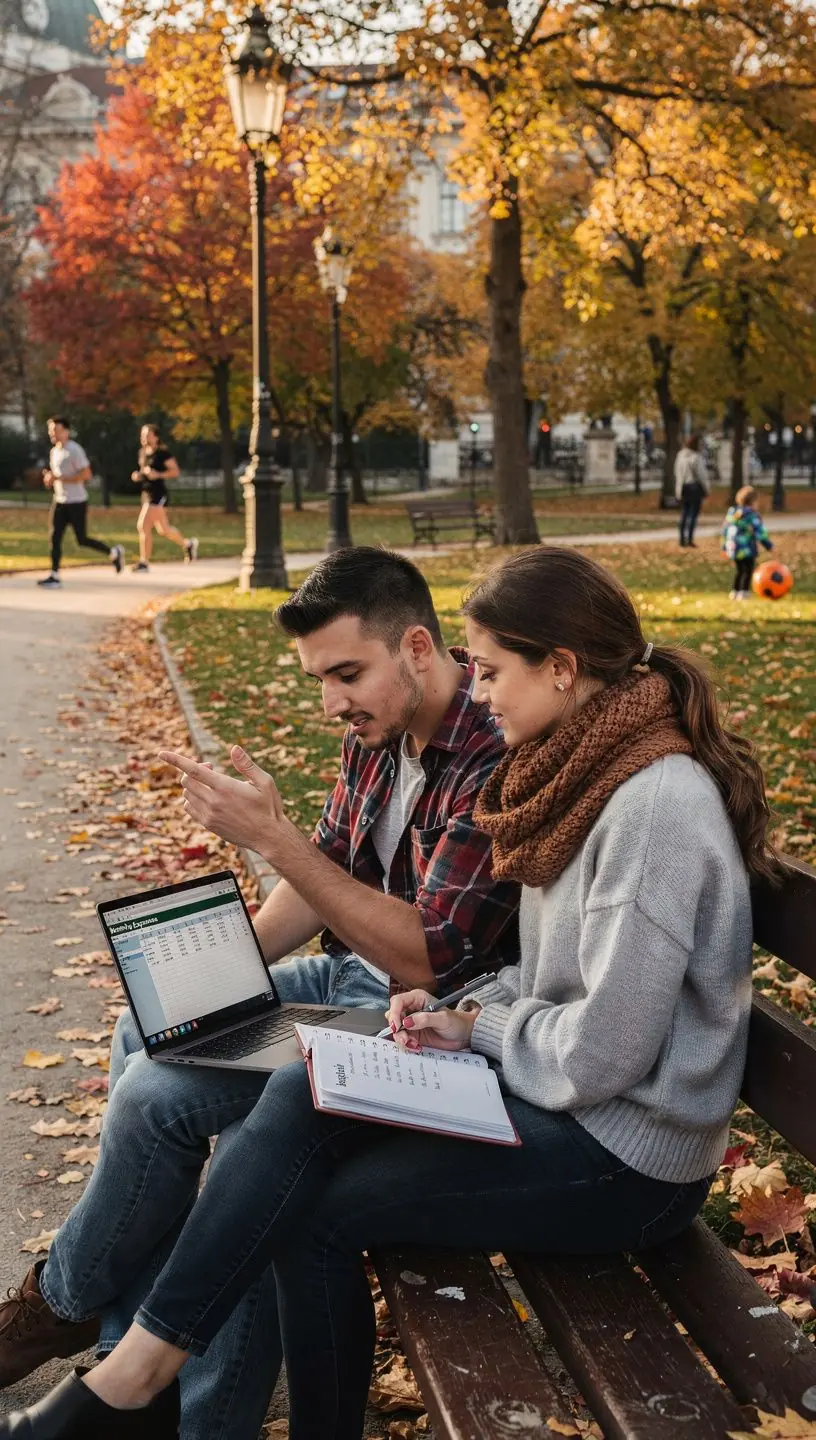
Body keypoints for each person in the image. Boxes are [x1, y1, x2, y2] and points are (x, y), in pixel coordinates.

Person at [0, 545, 778, 1440]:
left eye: (489, 670)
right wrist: (462, 1016)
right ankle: (135, 1373)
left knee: (293, 1187)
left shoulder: (648, 806)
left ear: (561, 670)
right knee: (282, 1083)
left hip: (625, 1154)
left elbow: (599, 1053)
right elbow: (556, 967)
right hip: (560, 1088)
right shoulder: (584, 769)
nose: (479, 691)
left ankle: (134, 1381)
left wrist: (478, 1020)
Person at [0, 547, 519, 1440]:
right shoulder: (380, 731)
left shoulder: (489, 752)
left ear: (420, 648)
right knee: (151, 1027)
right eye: (320, 679)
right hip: (351, 977)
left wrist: (274, 842)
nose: (332, 702)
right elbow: (329, 874)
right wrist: (224, 967)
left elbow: (430, 957)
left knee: (178, 1107)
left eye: (347, 674)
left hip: (419, 1023)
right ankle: (129, 1359)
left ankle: (86, 1319)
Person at [37, 418, 124, 587]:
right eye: (51, 430)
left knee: (82, 539)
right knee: (54, 537)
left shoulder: (74, 450)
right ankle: (54, 575)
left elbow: (86, 475)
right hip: (60, 501)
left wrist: (60, 478)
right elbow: (57, 475)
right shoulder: (54, 451)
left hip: (77, 502)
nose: (52, 433)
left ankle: (113, 552)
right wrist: (50, 479)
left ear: (66, 431)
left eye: (56, 429)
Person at [131, 425, 197, 571]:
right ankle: (188, 544)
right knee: (163, 530)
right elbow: (144, 471)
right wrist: (138, 475)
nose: (144, 438)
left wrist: (158, 475)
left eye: (147, 435)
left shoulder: (162, 454)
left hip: (158, 494)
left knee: (142, 525)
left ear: (155, 437)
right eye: (143, 435)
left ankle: (144, 562)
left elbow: (175, 471)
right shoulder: (142, 453)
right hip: (146, 493)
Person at [721, 485, 773, 601]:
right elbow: (760, 532)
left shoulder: (732, 513)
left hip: (733, 548)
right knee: (747, 570)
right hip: (747, 549)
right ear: (753, 502)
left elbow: (725, 531)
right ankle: (744, 592)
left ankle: (735, 591)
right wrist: (769, 546)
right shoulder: (752, 515)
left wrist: (724, 547)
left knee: (739, 570)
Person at [674, 434, 710, 548]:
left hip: (683, 487)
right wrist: (707, 489)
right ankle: (689, 539)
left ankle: (681, 539)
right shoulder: (696, 457)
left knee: (684, 514)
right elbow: (701, 475)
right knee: (693, 515)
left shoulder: (680, 456)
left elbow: (677, 472)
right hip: (694, 488)